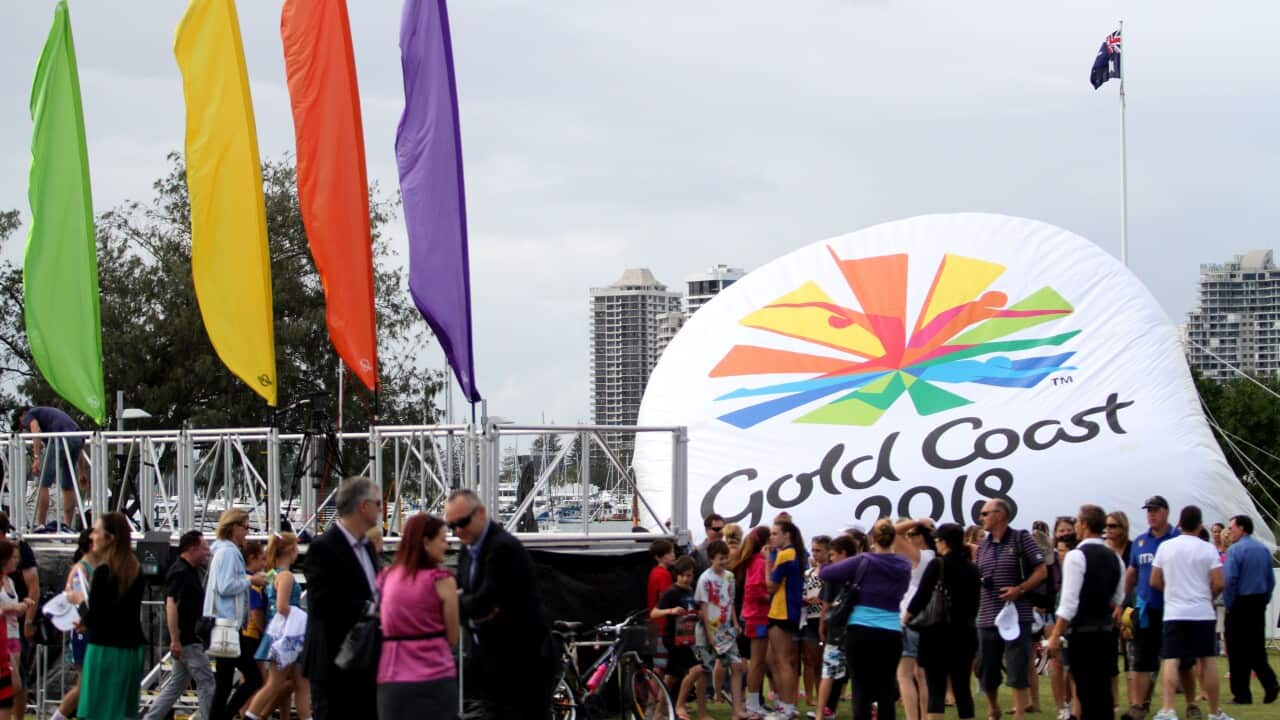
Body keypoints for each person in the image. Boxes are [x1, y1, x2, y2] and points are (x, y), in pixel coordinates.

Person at [446, 488, 554, 720]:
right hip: (490, 662)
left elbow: (484, 602)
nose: (457, 531)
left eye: (462, 523)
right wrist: (467, 603)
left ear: (481, 514)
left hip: (521, 664)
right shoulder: (467, 550)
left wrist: (455, 601)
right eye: (451, 526)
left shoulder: (503, 548)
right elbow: (474, 600)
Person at [302, 476, 382, 720]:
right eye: (378, 503)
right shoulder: (323, 547)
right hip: (334, 663)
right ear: (363, 506)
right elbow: (321, 603)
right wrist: (372, 609)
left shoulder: (367, 547)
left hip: (365, 661)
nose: (381, 510)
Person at [820, 518, 912, 720]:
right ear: (893, 538)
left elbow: (826, 573)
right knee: (886, 688)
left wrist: (827, 559)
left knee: (861, 688)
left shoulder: (863, 560)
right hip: (891, 630)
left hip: (860, 630)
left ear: (873, 539)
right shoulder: (904, 565)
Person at [1149, 505, 1230, 720]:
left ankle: (1168, 709)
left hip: (1175, 611)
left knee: (1171, 659)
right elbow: (1219, 582)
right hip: (1202, 612)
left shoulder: (1166, 547)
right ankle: (1214, 712)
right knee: (1207, 661)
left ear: (1179, 524)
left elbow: (1154, 580)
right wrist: (1208, 596)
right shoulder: (1208, 549)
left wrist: (1172, 592)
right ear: (1200, 525)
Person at [1045, 505, 1125, 720]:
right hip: (1106, 632)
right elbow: (1118, 597)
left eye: (1078, 523)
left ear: (1085, 525)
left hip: (1083, 633)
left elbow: (1069, 603)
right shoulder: (1115, 557)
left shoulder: (1076, 556)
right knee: (1103, 694)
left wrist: (1055, 635)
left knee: (1086, 692)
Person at [376, 513, 459, 718]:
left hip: (393, 677)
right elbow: (453, 637)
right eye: (442, 539)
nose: (447, 545)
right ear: (426, 542)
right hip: (436, 677)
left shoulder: (386, 578)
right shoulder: (442, 581)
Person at [974, 498, 1048, 720]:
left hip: (1017, 614)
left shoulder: (1021, 538)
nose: (981, 518)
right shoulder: (983, 546)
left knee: (1017, 666)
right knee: (986, 667)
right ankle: (993, 708)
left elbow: (1041, 570)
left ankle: (1019, 714)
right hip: (987, 615)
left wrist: (1020, 589)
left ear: (1000, 515)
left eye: (985, 513)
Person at [1124, 496, 1196, 720]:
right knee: (1142, 661)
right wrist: (1124, 601)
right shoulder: (1140, 541)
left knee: (1183, 661)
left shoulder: (1178, 539)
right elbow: (1132, 572)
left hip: (1174, 609)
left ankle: (1192, 704)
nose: (1151, 514)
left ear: (1166, 511)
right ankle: (1138, 705)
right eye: (1148, 511)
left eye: (1155, 510)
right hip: (1147, 609)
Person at [69, 512, 145, 720]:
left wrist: (80, 608)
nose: (91, 536)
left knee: (98, 710)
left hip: (105, 649)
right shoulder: (135, 568)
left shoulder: (104, 571)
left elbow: (97, 614)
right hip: (130, 650)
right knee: (122, 711)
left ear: (110, 538)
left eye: (96, 531)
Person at [906, 522, 981, 720]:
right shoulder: (973, 569)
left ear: (945, 542)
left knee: (936, 689)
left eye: (938, 540)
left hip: (936, 634)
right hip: (965, 633)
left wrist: (906, 618)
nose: (936, 544)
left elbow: (921, 596)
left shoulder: (938, 565)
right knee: (962, 688)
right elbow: (976, 603)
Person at [144, 530, 215, 720]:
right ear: (192, 549)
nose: (207, 553)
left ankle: (151, 718)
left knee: (177, 683)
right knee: (206, 681)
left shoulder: (188, 571)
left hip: (186, 638)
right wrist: (175, 639)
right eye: (204, 548)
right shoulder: (180, 573)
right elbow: (171, 604)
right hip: (187, 639)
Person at [205, 508, 267, 720]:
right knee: (252, 678)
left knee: (224, 681)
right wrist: (250, 580)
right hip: (228, 623)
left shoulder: (221, 550)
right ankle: (225, 716)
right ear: (234, 527)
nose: (247, 531)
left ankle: (221, 717)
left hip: (224, 622)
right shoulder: (229, 553)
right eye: (245, 526)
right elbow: (225, 586)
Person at [246, 533, 310, 720]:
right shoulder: (286, 576)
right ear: (291, 550)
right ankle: (251, 716)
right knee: (276, 683)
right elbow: (282, 606)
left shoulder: (273, 574)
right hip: (288, 634)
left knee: (300, 683)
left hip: (283, 631)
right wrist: (303, 618)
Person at [1221, 515, 1278, 705]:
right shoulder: (1263, 549)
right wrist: (1264, 599)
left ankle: (1242, 694)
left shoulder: (1235, 550)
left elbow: (1230, 579)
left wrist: (1229, 603)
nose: (1229, 531)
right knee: (1256, 648)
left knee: (1236, 650)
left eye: (1232, 528)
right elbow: (1270, 580)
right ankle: (1270, 684)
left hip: (1240, 602)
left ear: (1242, 528)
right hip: (1258, 602)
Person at [814, 533, 862, 720]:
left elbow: (826, 604)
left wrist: (822, 624)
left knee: (829, 672)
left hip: (838, 628)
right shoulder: (862, 571)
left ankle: (821, 713)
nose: (831, 559)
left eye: (833, 554)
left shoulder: (834, 573)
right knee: (856, 674)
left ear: (843, 553)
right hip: (857, 626)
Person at [695, 540, 745, 718]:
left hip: (726, 630)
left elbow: (730, 602)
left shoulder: (730, 577)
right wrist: (709, 635)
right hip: (708, 631)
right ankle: (702, 712)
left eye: (726, 558)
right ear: (711, 559)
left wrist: (735, 623)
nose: (724, 562)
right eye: (720, 558)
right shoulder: (705, 579)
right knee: (704, 671)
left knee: (737, 666)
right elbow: (703, 608)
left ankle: (737, 710)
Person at [52, 529, 97, 720]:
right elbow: (78, 599)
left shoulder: (98, 566)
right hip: (84, 631)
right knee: (85, 683)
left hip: (95, 630)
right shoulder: (81, 568)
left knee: (92, 683)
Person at [14, 406, 82, 530]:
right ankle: (68, 526)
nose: (25, 428)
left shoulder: (30, 414)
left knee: (43, 483)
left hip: (59, 439)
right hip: (77, 438)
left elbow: (35, 430)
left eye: (22, 425)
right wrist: (82, 472)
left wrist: (36, 458)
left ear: (22, 416)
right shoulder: (49, 417)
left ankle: (41, 525)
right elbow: (79, 443)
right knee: (67, 485)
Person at [653, 557, 704, 720]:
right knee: (697, 669)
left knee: (671, 677)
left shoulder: (691, 591)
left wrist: (697, 614)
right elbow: (654, 613)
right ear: (677, 575)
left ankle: (658, 713)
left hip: (686, 637)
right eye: (682, 575)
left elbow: (695, 610)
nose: (686, 579)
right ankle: (679, 706)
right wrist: (671, 611)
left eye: (689, 575)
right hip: (672, 638)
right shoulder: (671, 592)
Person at [895, 519, 936, 720]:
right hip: (931, 618)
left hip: (911, 616)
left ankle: (913, 717)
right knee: (922, 675)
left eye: (911, 535)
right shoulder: (937, 557)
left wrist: (918, 521)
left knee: (904, 675)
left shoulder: (922, 557)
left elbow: (891, 533)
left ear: (921, 537)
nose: (908, 538)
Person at [766, 518, 807, 719]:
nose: (771, 537)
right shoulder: (795, 553)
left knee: (783, 661)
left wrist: (767, 563)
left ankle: (787, 707)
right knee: (773, 659)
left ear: (786, 535)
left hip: (783, 612)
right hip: (786, 611)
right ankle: (783, 704)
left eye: (775, 533)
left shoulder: (786, 554)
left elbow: (771, 586)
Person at [0, 513, 37, 714]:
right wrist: (18, 608)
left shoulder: (11, 580)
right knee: (12, 683)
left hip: (13, 633)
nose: (16, 561)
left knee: (17, 682)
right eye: (13, 558)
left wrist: (26, 614)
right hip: (4, 635)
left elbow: (34, 587)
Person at [735, 526, 772, 718]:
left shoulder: (755, 560)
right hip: (757, 617)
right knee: (757, 662)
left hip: (756, 616)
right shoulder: (759, 562)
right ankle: (752, 704)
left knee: (760, 662)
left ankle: (754, 703)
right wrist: (772, 598)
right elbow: (755, 589)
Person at [1106, 511, 1137, 710]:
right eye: (1107, 526)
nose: (1108, 530)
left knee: (1131, 657)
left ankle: (1135, 701)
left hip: (1130, 606)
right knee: (1110, 658)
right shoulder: (1104, 550)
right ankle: (1114, 701)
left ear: (1123, 528)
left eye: (1113, 526)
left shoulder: (1132, 549)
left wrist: (1126, 608)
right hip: (1108, 608)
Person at [800, 535, 829, 708]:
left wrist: (822, 601)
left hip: (825, 620)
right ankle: (809, 696)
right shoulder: (808, 573)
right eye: (813, 550)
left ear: (827, 551)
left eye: (819, 550)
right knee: (809, 660)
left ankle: (821, 696)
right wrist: (805, 600)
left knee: (822, 661)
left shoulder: (833, 572)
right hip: (809, 619)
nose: (815, 554)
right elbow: (802, 593)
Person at [648, 539, 677, 674]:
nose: (673, 555)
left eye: (673, 552)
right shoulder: (663, 574)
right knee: (661, 667)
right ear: (659, 557)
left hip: (655, 625)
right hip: (662, 626)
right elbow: (666, 599)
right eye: (669, 553)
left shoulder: (654, 572)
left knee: (659, 665)